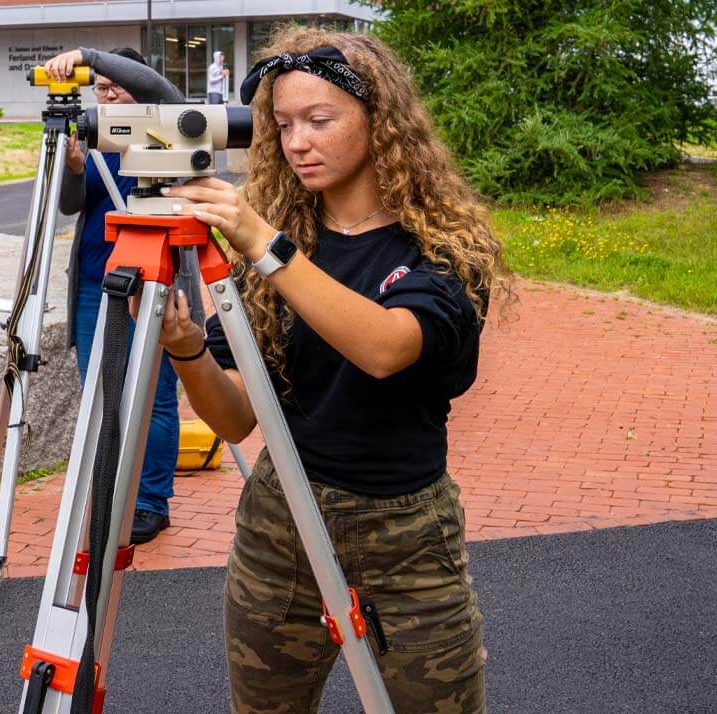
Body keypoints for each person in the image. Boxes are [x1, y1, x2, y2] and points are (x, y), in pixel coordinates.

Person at [155, 28, 511, 713]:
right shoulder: (278, 246)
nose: (297, 143)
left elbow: (384, 347)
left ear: (380, 122)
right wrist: (186, 349)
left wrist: (263, 242)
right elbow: (234, 416)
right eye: (283, 125)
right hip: (279, 523)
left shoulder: (440, 248)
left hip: (406, 539)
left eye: (319, 121)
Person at [44, 46, 185, 544]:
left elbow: (160, 91)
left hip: (152, 277)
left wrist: (88, 56)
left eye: (113, 88)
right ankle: (109, 489)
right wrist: (76, 166)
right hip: (93, 280)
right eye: (98, 89)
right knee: (99, 392)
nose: (104, 97)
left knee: (155, 395)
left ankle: (150, 501)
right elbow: (68, 206)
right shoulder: (92, 136)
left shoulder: (164, 127)